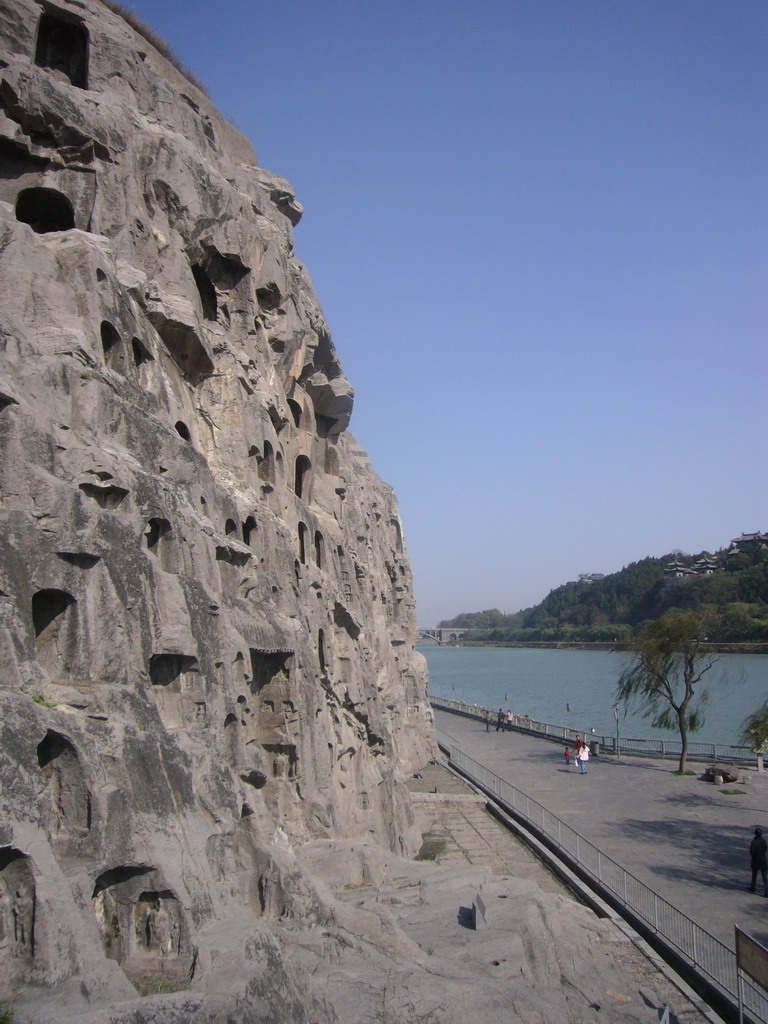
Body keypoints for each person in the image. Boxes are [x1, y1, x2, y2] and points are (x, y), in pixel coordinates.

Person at [749, 827, 768, 895]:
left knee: (754, 875)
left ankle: (753, 887)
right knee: (765, 877)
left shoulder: (753, 842)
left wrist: (754, 856)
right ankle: (766, 892)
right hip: (763, 860)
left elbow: (752, 852)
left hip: (756, 860)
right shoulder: (764, 841)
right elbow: (765, 849)